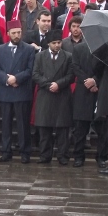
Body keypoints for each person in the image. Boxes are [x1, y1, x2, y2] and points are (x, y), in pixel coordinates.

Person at [0, 20, 35, 163]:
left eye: (19, 32)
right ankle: (6, 151)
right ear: (8, 34)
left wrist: (16, 78)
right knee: (5, 124)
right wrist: (7, 79)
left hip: (21, 91)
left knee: (23, 124)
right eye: (14, 33)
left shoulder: (29, 49)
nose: (17, 35)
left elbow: (30, 70)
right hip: (6, 91)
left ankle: (25, 152)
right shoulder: (0, 49)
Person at [32, 30, 75, 165]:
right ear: (48, 43)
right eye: (54, 43)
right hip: (45, 94)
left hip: (62, 95)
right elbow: (35, 74)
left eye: (59, 42)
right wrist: (49, 84)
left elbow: (71, 75)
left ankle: (63, 156)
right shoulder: (40, 56)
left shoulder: (68, 57)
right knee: (45, 128)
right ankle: (45, 155)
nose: (57, 45)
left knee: (63, 129)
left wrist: (58, 84)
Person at [71, 38, 107, 168]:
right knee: (80, 128)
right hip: (82, 92)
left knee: (102, 128)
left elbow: (106, 68)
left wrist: (95, 81)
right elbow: (75, 66)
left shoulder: (104, 49)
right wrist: (87, 81)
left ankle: (102, 157)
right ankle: (78, 157)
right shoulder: (78, 48)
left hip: (99, 92)